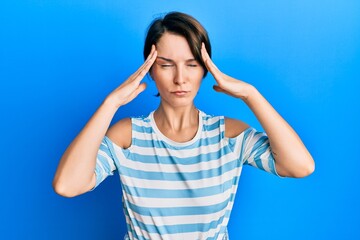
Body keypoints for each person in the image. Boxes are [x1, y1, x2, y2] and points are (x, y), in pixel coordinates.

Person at [53, 11, 315, 240]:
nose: (180, 78)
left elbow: (300, 166)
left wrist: (250, 94)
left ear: (206, 69)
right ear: (150, 70)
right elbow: (67, 185)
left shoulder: (229, 134)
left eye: (192, 64)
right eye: (166, 65)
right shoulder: (128, 136)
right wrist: (111, 103)